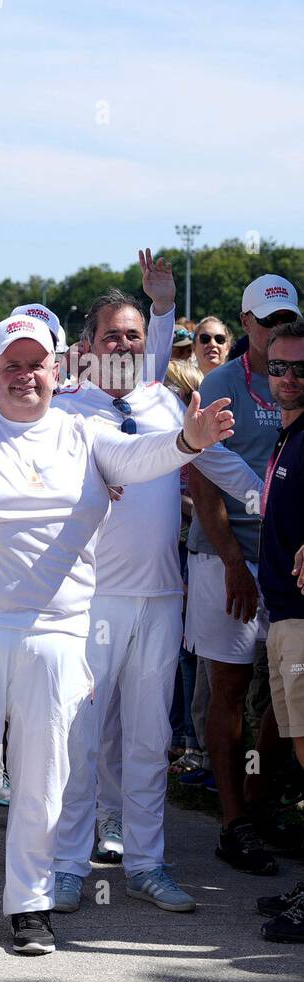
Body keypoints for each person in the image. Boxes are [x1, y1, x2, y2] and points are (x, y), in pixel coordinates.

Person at [0, 313, 235, 964]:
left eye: (34, 363)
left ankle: (29, 905)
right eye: (10, 365)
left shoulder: (84, 434)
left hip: (58, 635)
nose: (23, 376)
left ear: (56, 368)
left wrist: (186, 439)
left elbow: (141, 457)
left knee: (43, 776)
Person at [50, 290, 262, 917]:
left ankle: (146, 863)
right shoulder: (67, 412)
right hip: (91, 600)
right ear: (87, 346)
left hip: (161, 595)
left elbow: (215, 460)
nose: (124, 345)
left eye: (134, 335)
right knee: (80, 738)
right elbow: (143, 458)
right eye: (111, 335)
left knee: (148, 739)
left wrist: (266, 502)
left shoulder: (166, 400)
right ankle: (65, 866)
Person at [185, 274, 299, 873]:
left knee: (284, 695)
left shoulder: (298, 377)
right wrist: (232, 559)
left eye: (287, 320)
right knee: (228, 688)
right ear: (246, 322)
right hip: (223, 555)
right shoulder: (222, 382)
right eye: (267, 320)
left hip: (286, 558)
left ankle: (257, 800)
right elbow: (200, 476)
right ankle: (233, 822)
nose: (278, 331)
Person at [254, 319, 304, 942]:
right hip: (285, 616)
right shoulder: (286, 437)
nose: (290, 378)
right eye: (281, 367)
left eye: (301, 369)